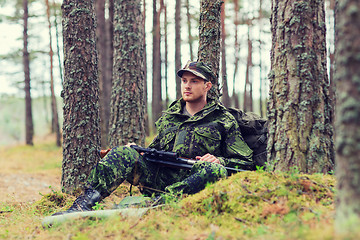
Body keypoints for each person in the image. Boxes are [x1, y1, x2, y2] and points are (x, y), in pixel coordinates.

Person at [53, 60, 254, 215]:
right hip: (161, 179)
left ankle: (159, 206)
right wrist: (138, 151)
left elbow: (245, 162)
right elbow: (156, 149)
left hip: (195, 182)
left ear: (207, 86)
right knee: (124, 152)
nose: (187, 86)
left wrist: (219, 159)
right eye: (184, 81)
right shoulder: (169, 117)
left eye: (194, 81)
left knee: (214, 169)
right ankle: (83, 204)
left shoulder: (223, 119)